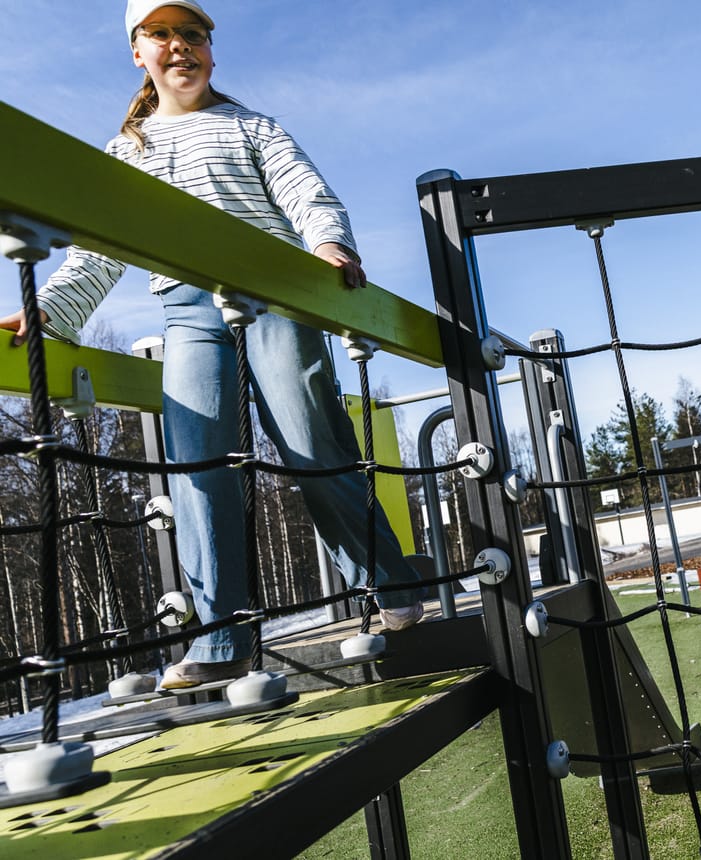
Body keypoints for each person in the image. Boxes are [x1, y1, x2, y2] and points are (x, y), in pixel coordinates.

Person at [0, 1, 427, 690]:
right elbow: (97, 251)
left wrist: (326, 243)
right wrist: (50, 310)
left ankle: (392, 582)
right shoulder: (130, 150)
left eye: (192, 34)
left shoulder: (250, 126)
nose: (179, 46)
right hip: (188, 307)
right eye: (161, 35)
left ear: (211, 50)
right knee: (197, 462)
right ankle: (222, 636)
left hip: (276, 295)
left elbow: (303, 189)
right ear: (138, 52)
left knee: (312, 443)